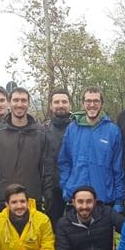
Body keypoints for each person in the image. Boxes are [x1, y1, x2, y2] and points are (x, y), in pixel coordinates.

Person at [0, 88, 56, 216]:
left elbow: (47, 167)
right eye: (15, 100)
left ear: (28, 103)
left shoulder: (41, 133)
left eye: (23, 100)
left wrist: (48, 192)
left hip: (31, 199)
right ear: (9, 103)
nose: (19, 104)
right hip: (2, 199)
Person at [58, 86, 125, 213]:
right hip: (76, 198)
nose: (92, 105)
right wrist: (66, 186)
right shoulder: (72, 129)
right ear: (83, 104)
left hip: (103, 198)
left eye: (96, 101)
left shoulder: (113, 131)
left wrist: (119, 199)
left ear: (101, 104)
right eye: (88, 101)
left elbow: (118, 168)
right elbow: (64, 161)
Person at [46, 88, 74, 222]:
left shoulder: (79, 129)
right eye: (56, 102)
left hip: (75, 188)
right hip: (51, 190)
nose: (60, 105)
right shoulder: (43, 130)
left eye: (64, 101)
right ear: (51, 106)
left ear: (70, 105)